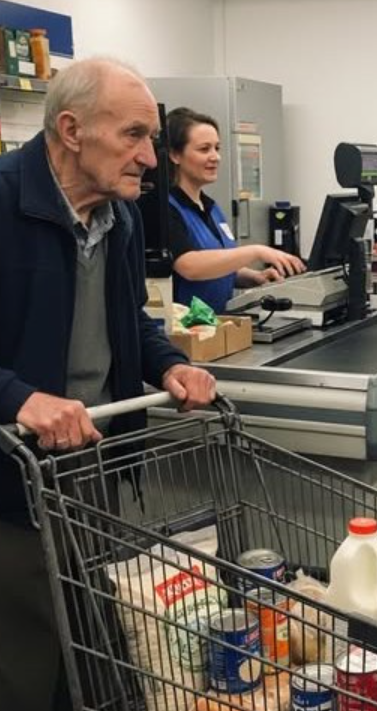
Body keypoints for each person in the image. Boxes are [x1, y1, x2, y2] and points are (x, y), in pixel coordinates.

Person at [0, 58, 216, 711]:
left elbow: (131, 321)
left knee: (93, 647)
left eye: (151, 138)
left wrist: (170, 364)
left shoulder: (120, 217)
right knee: (25, 662)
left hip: (95, 465)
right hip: (11, 486)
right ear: (71, 130)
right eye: (133, 136)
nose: (150, 158)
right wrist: (20, 398)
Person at [166, 106, 305, 313]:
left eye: (217, 148)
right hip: (184, 327)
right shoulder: (167, 208)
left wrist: (253, 277)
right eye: (204, 149)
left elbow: (218, 265)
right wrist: (256, 251)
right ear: (175, 155)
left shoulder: (211, 207)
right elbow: (190, 267)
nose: (215, 157)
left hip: (216, 323)